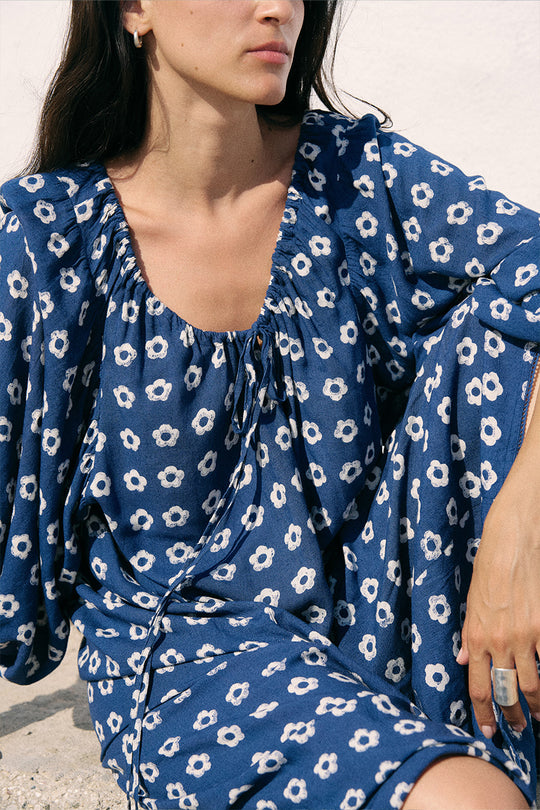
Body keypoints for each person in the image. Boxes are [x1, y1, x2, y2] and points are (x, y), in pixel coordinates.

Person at [0, 1, 539, 808]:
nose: (279, 6)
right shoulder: (49, 241)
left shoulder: (356, 176)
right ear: (134, 8)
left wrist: (520, 525)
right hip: (197, 662)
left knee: (504, 337)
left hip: (392, 600)